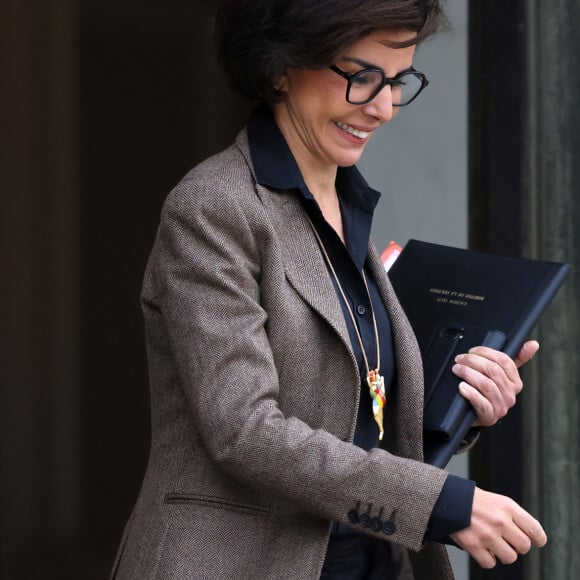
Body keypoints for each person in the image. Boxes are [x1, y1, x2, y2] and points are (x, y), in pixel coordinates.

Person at [110, 1, 547, 578]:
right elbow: (244, 430)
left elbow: (358, 419)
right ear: (279, 66)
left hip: (371, 560)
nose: (385, 107)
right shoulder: (212, 208)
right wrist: (444, 503)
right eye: (362, 76)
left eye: (398, 81)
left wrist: (466, 406)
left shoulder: (347, 207)